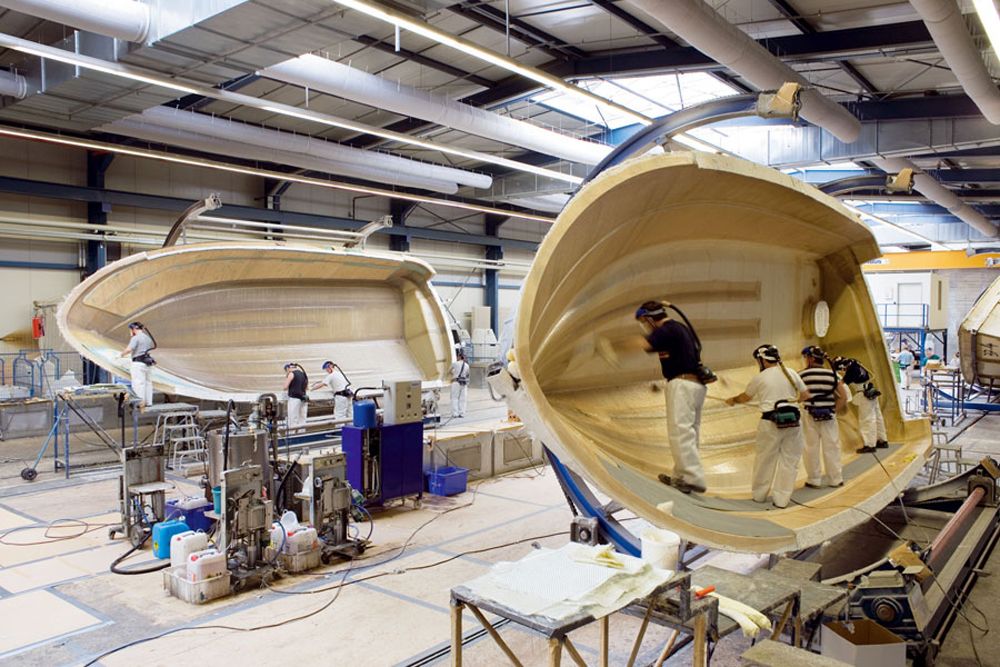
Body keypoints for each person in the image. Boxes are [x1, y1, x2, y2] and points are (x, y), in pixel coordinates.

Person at [636, 301, 711, 494]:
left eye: (643, 321)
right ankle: (681, 478)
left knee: (680, 432)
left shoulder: (666, 329)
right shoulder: (680, 328)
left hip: (682, 384)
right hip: (696, 386)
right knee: (689, 431)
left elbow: (644, 344)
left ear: (650, 318)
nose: (644, 326)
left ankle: (693, 477)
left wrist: (611, 345)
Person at [726, 345, 811, 508]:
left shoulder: (761, 377)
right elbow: (806, 395)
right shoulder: (791, 372)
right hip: (793, 422)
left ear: (763, 360)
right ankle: (782, 500)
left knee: (765, 459)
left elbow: (745, 397)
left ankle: (759, 496)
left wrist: (733, 400)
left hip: (770, 422)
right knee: (790, 461)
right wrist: (792, 402)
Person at [799, 346, 848, 488]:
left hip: (810, 415)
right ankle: (836, 479)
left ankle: (814, 479)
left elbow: (799, 395)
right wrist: (833, 410)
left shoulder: (802, 375)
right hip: (829, 416)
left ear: (811, 358)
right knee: (832, 446)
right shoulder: (833, 375)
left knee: (810, 447)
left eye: (805, 357)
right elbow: (843, 397)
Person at [832, 356, 887, 453]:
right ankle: (882, 440)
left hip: (864, 395)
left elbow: (841, 383)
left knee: (866, 420)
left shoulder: (851, 370)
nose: (842, 371)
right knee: (877, 417)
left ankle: (870, 445)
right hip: (871, 391)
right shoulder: (856, 363)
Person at [119, 321, 155, 408]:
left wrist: (120, 355)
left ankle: (139, 403)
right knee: (148, 383)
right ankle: (148, 402)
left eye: (130, 330)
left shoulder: (136, 338)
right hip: (148, 363)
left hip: (138, 363)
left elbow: (129, 349)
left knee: (138, 383)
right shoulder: (148, 338)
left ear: (134, 329)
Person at [283, 362, 309, 428]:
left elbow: (285, 387)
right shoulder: (303, 374)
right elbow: (306, 388)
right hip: (303, 399)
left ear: (288, 368)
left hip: (294, 399)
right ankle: (302, 434)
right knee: (302, 418)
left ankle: (292, 435)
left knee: (293, 418)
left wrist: (287, 376)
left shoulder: (291, 374)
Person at [450, 351, 470, 418]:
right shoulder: (467, 365)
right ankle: (462, 413)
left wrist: (454, 373)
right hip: (463, 383)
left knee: (454, 398)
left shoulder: (455, 364)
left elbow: (449, 371)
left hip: (456, 382)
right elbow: (467, 374)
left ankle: (455, 413)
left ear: (459, 357)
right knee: (463, 399)